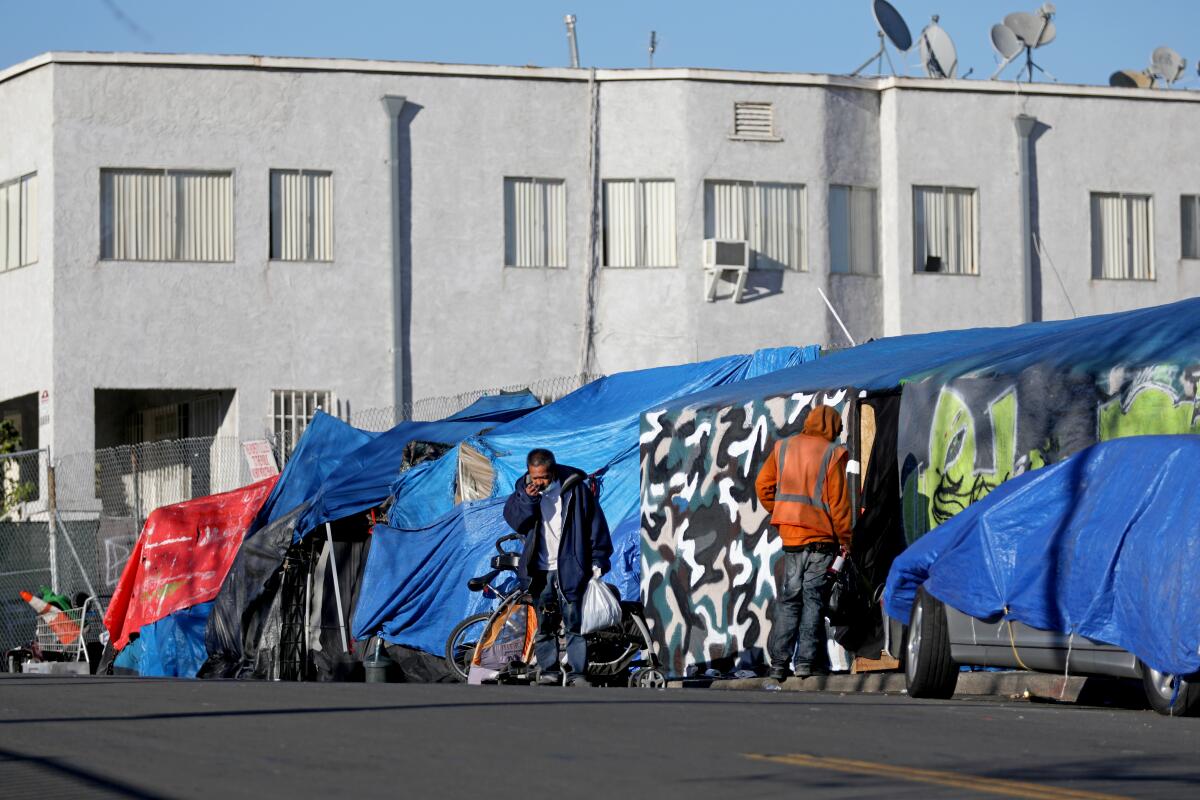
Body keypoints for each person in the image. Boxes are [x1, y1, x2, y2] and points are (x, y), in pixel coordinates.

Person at [755, 405, 853, 681]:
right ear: (832, 427)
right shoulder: (833, 454)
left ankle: (778, 665)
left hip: (792, 539)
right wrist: (846, 539)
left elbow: (762, 486)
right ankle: (806, 665)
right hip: (821, 540)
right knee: (813, 602)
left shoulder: (783, 447)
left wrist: (780, 511)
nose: (839, 433)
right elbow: (840, 505)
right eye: (838, 428)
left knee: (789, 601)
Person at [503, 448, 612, 686]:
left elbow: (596, 524)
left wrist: (598, 560)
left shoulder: (575, 490)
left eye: (543, 477)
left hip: (570, 568)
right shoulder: (524, 490)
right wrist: (528, 500)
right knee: (545, 625)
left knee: (575, 623)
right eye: (534, 476)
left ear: (552, 471)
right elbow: (517, 522)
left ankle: (578, 674)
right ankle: (548, 671)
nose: (539, 482)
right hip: (540, 571)